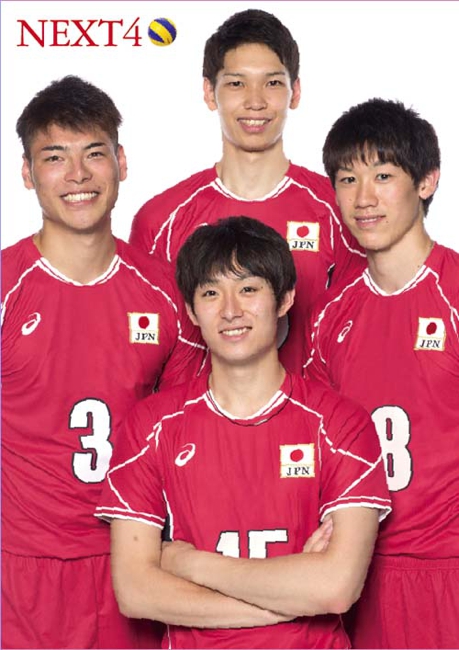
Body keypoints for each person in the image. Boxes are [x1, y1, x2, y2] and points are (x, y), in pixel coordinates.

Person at [97, 216, 391, 649]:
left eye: (249, 289)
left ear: (285, 298)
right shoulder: (151, 424)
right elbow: (136, 591)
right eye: (211, 293)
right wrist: (289, 602)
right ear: (191, 310)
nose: (230, 310)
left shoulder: (341, 423)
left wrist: (191, 564)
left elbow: (336, 587)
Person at [1, 75, 205, 650]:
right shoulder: (7, 288)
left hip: (137, 561)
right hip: (22, 568)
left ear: (121, 162)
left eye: (94, 153)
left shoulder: (167, 293)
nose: (77, 174)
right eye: (54, 157)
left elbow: (190, 432)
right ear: (27, 173)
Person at [129, 9, 365, 374]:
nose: (256, 101)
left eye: (272, 83)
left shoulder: (340, 210)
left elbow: (363, 339)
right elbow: (142, 352)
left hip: (308, 409)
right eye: (237, 83)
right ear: (209, 92)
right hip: (193, 411)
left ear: (295, 92)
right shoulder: (160, 221)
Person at [303, 98, 459, 649]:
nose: (363, 198)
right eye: (348, 179)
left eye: (383, 176)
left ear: (427, 181)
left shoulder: (453, 294)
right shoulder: (330, 316)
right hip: (356, 573)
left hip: (447, 566)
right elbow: (317, 444)